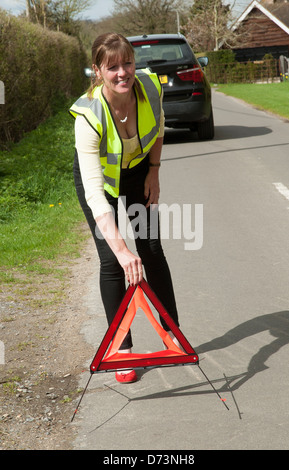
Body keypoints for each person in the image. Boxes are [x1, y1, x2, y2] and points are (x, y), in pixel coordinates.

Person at [70, 32, 180, 383]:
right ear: (97, 71)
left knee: (151, 249)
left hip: (138, 172)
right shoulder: (87, 117)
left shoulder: (150, 87)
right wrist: (120, 249)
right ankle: (123, 350)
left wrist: (155, 171)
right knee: (112, 261)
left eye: (127, 63)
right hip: (99, 183)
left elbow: (159, 127)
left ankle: (173, 336)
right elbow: (93, 193)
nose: (123, 73)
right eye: (112, 66)